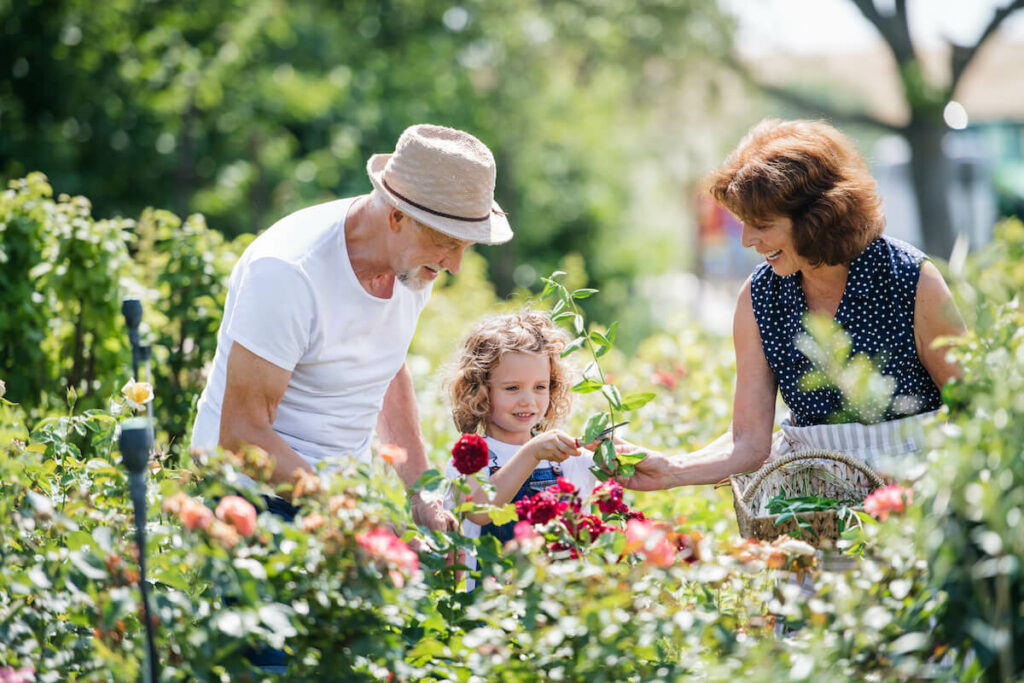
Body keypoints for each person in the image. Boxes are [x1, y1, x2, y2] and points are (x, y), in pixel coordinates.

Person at [190, 124, 513, 531]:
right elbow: (241, 435)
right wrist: (357, 518)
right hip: (248, 496)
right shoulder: (288, 274)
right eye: (448, 243)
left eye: (464, 247)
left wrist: (421, 492)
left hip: (338, 495)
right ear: (397, 216)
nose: (455, 265)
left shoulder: (413, 265)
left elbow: (386, 365)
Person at [619, 118, 966, 490]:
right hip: (813, 499)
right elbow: (749, 444)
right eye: (744, 223)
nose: (747, 240)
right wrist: (671, 470)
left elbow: (969, 404)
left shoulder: (909, 279)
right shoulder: (759, 299)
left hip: (916, 494)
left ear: (817, 217)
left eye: (762, 225)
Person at [443, 310, 598, 584]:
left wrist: (609, 450)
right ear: (480, 390)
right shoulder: (473, 455)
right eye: (513, 388)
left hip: (554, 605)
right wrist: (531, 453)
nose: (528, 401)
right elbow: (479, 510)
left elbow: (628, 475)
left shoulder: (562, 457)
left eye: (540, 387)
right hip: (489, 608)